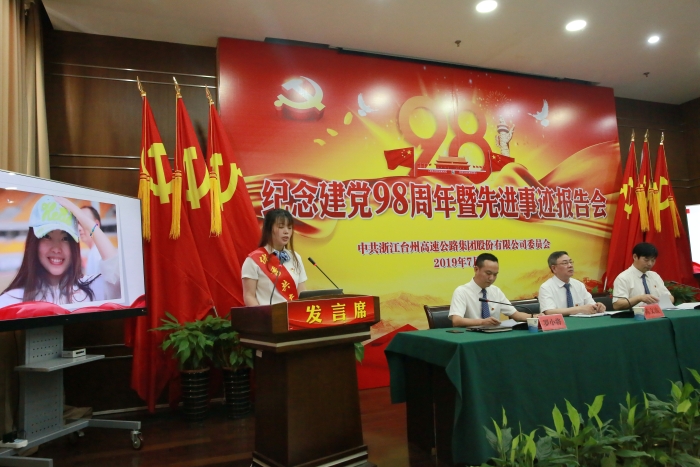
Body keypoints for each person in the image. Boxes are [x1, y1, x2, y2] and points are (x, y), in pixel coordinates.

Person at [0, 195, 121, 308]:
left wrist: (83, 218)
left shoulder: (91, 290)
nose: (57, 249)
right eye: (47, 236)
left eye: (65, 238)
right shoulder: (10, 301)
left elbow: (117, 276)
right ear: (34, 243)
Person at [241, 209, 307, 306]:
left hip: (294, 314)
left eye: (289, 228)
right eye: (281, 227)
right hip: (267, 314)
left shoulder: (295, 257)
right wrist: (262, 314)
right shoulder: (253, 260)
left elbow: (302, 292)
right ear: (269, 229)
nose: (286, 232)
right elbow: (249, 296)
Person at [448, 252, 530, 327]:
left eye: (495, 274)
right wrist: (482, 322)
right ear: (476, 270)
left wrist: (534, 317)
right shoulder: (462, 291)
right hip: (471, 335)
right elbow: (456, 321)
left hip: (494, 335)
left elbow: (516, 315)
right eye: (488, 273)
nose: (491, 278)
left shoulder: (496, 291)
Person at [538, 251, 605, 315]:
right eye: (565, 263)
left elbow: (591, 304)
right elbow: (549, 312)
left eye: (570, 262)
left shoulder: (579, 285)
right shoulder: (546, 287)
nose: (570, 265)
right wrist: (579, 309)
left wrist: (598, 306)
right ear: (554, 268)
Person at [612, 242, 672, 310]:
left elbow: (670, 298)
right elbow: (617, 305)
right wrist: (639, 298)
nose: (650, 264)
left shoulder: (655, 276)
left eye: (653, 260)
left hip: (656, 313)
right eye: (646, 260)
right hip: (635, 315)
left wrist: (660, 301)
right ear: (635, 257)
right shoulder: (623, 278)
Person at [78, 205, 102, 275]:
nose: (79, 228)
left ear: (96, 224)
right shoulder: (94, 252)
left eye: (83, 222)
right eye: (77, 223)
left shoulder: (98, 254)